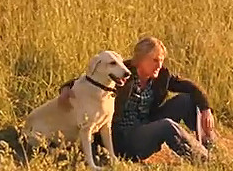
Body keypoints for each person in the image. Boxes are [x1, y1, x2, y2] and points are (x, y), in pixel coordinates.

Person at [57, 36, 215, 164]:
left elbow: (191, 87)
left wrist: (205, 109)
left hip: (146, 127)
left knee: (186, 100)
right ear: (140, 59)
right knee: (167, 125)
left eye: (161, 60)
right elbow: (86, 80)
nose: (159, 65)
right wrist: (66, 89)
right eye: (154, 60)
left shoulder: (161, 75)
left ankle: (209, 145)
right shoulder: (121, 72)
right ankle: (206, 161)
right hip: (123, 139)